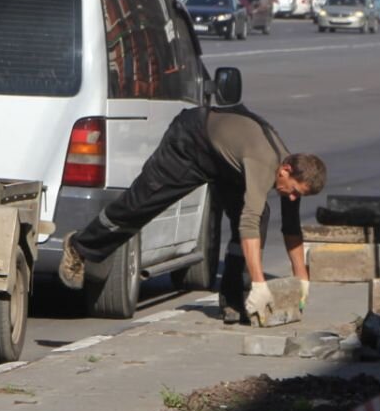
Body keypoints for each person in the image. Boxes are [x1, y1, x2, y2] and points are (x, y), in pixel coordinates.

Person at [58, 103, 327, 325]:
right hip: (191, 143)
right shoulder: (264, 164)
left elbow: (291, 228)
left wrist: (301, 279)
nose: (292, 198)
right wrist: (260, 281)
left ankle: (235, 300)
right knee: (142, 204)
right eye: (292, 191)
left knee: (263, 216)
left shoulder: (291, 176)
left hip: (226, 163)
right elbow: (248, 222)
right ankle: (80, 246)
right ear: (285, 171)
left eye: (298, 195)